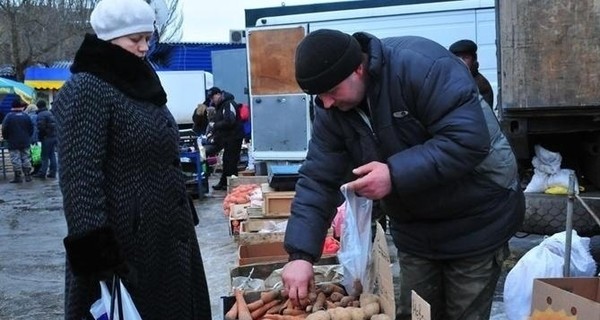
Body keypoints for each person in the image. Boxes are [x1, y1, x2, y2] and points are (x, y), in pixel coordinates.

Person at [281, 29, 525, 320]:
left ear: (358, 68)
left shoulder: (422, 66)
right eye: (320, 97)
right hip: (416, 231)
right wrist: (301, 255)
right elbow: (319, 178)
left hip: (476, 219)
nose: (327, 103)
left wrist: (394, 174)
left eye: (332, 92)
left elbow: (467, 141)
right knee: (417, 314)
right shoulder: (330, 108)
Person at [51, 0, 212, 319]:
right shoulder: (88, 88)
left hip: (166, 239)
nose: (144, 47)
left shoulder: (139, 83)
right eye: (134, 39)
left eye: (147, 39)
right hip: (126, 250)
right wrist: (101, 261)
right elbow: (80, 180)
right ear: (109, 39)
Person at [205, 86, 244, 191]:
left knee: (231, 161)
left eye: (213, 97)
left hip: (234, 137)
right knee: (227, 160)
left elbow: (230, 121)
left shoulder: (228, 104)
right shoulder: (222, 105)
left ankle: (232, 184)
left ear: (218, 94)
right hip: (228, 137)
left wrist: (215, 125)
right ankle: (224, 183)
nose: (212, 100)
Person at [449, 39, 494, 108]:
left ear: (474, 60)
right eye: (458, 58)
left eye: (465, 58)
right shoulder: (451, 79)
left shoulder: (480, 84)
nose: (461, 61)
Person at [1, 97, 34, 183]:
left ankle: (18, 176)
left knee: (15, 158)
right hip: (25, 141)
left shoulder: (9, 117)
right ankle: (28, 175)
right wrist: (28, 137)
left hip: (13, 142)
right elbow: (31, 128)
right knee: (26, 157)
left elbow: (4, 129)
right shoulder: (26, 116)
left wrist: (6, 138)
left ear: (12, 107)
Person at [33, 100, 58, 179]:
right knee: (52, 155)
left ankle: (42, 173)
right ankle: (53, 172)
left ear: (38, 106)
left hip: (46, 137)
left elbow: (41, 127)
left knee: (44, 156)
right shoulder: (50, 113)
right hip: (53, 136)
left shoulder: (41, 114)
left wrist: (41, 136)